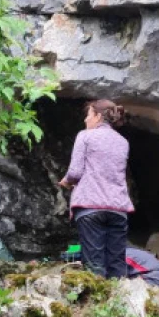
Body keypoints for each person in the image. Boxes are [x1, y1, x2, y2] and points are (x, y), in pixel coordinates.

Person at [58, 99, 133, 278]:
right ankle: (120, 301)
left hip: (90, 207)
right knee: (116, 262)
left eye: (88, 115)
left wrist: (66, 182)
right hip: (118, 208)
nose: (86, 119)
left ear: (98, 116)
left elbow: (75, 172)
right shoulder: (123, 142)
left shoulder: (85, 136)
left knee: (94, 263)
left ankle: (99, 303)